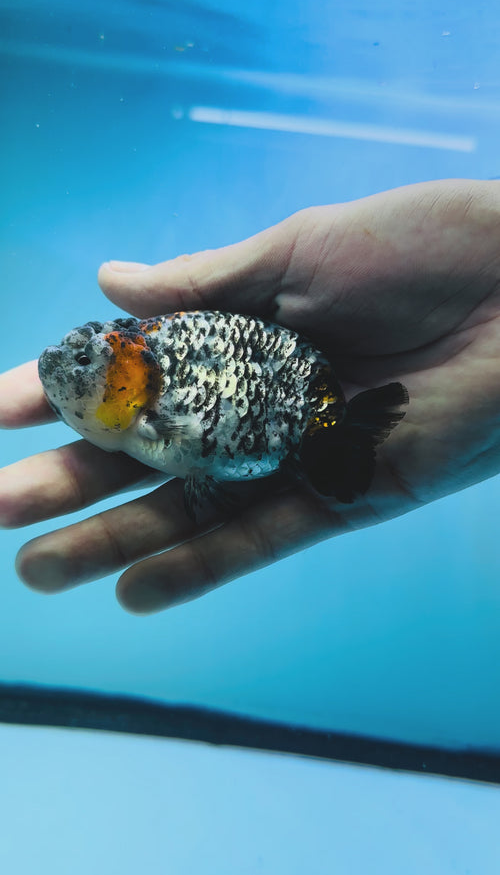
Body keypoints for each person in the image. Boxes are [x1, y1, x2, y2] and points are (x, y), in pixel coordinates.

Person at [0, 178, 499, 614]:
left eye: (86, 362)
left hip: (294, 408)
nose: (72, 369)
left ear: (134, 372)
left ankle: (332, 446)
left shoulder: (152, 405)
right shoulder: (141, 405)